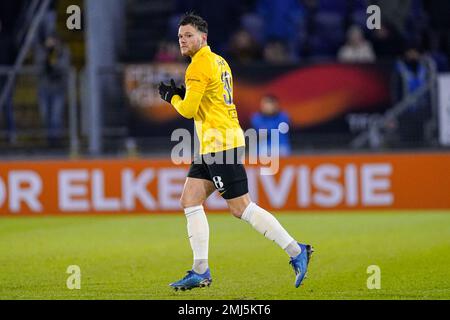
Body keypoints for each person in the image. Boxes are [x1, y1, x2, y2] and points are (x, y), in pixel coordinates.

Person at [158, 13, 313, 291]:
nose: (182, 40)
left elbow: (189, 110)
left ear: (202, 38)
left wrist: (173, 98)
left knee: (241, 209)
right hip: (214, 144)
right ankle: (200, 270)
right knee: (189, 199)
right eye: (180, 36)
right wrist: (187, 93)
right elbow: (209, 99)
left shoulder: (198, 66)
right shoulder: (219, 60)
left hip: (220, 145)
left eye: (188, 35)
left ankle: (296, 250)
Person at [35, 33, 71, 147]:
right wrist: (47, 56)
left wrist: (55, 59)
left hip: (58, 88)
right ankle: (49, 140)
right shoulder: (41, 51)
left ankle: (55, 142)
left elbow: (64, 66)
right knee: (46, 116)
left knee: (56, 116)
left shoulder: (63, 51)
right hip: (44, 88)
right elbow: (39, 68)